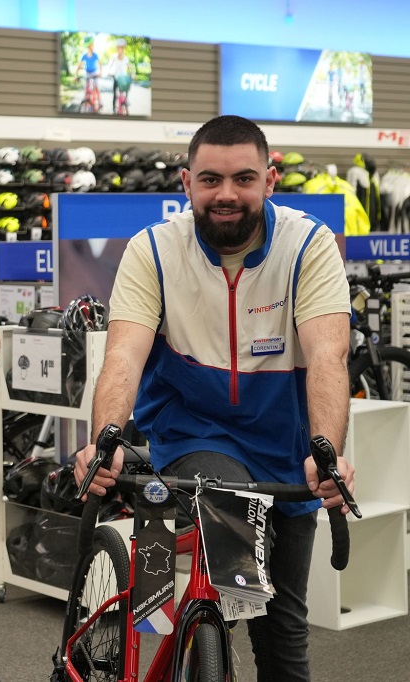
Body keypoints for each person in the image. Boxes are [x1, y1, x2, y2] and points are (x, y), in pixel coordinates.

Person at [74, 114, 354, 682]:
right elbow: (123, 356)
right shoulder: (153, 250)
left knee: (283, 631)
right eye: (210, 180)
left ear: (269, 181)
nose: (226, 194)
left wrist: (327, 449)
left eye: (243, 178)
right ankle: (203, 633)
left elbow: (329, 355)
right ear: (187, 183)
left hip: (286, 452)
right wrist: (106, 438)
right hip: (196, 436)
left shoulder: (308, 244)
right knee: (232, 519)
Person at [106, 38, 134, 115]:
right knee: (115, 94)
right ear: (117, 48)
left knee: (126, 88)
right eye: (119, 47)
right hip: (116, 77)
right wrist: (108, 72)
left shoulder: (126, 58)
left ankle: (125, 101)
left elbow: (130, 67)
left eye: (122, 47)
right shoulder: (114, 57)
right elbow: (110, 64)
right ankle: (114, 108)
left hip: (123, 78)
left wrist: (133, 74)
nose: (120, 49)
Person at [75, 37, 102, 110]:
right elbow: (79, 66)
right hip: (87, 73)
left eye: (92, 45)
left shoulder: (95, 55)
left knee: (96, 87)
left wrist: (100, 72)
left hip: (94, 72)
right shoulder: (84, 55)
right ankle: (87, 102)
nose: (92, 46)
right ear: (88, 46)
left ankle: (100, 102)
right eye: (90, 45)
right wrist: (76, 75)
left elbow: (100, 64)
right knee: (86, 89)